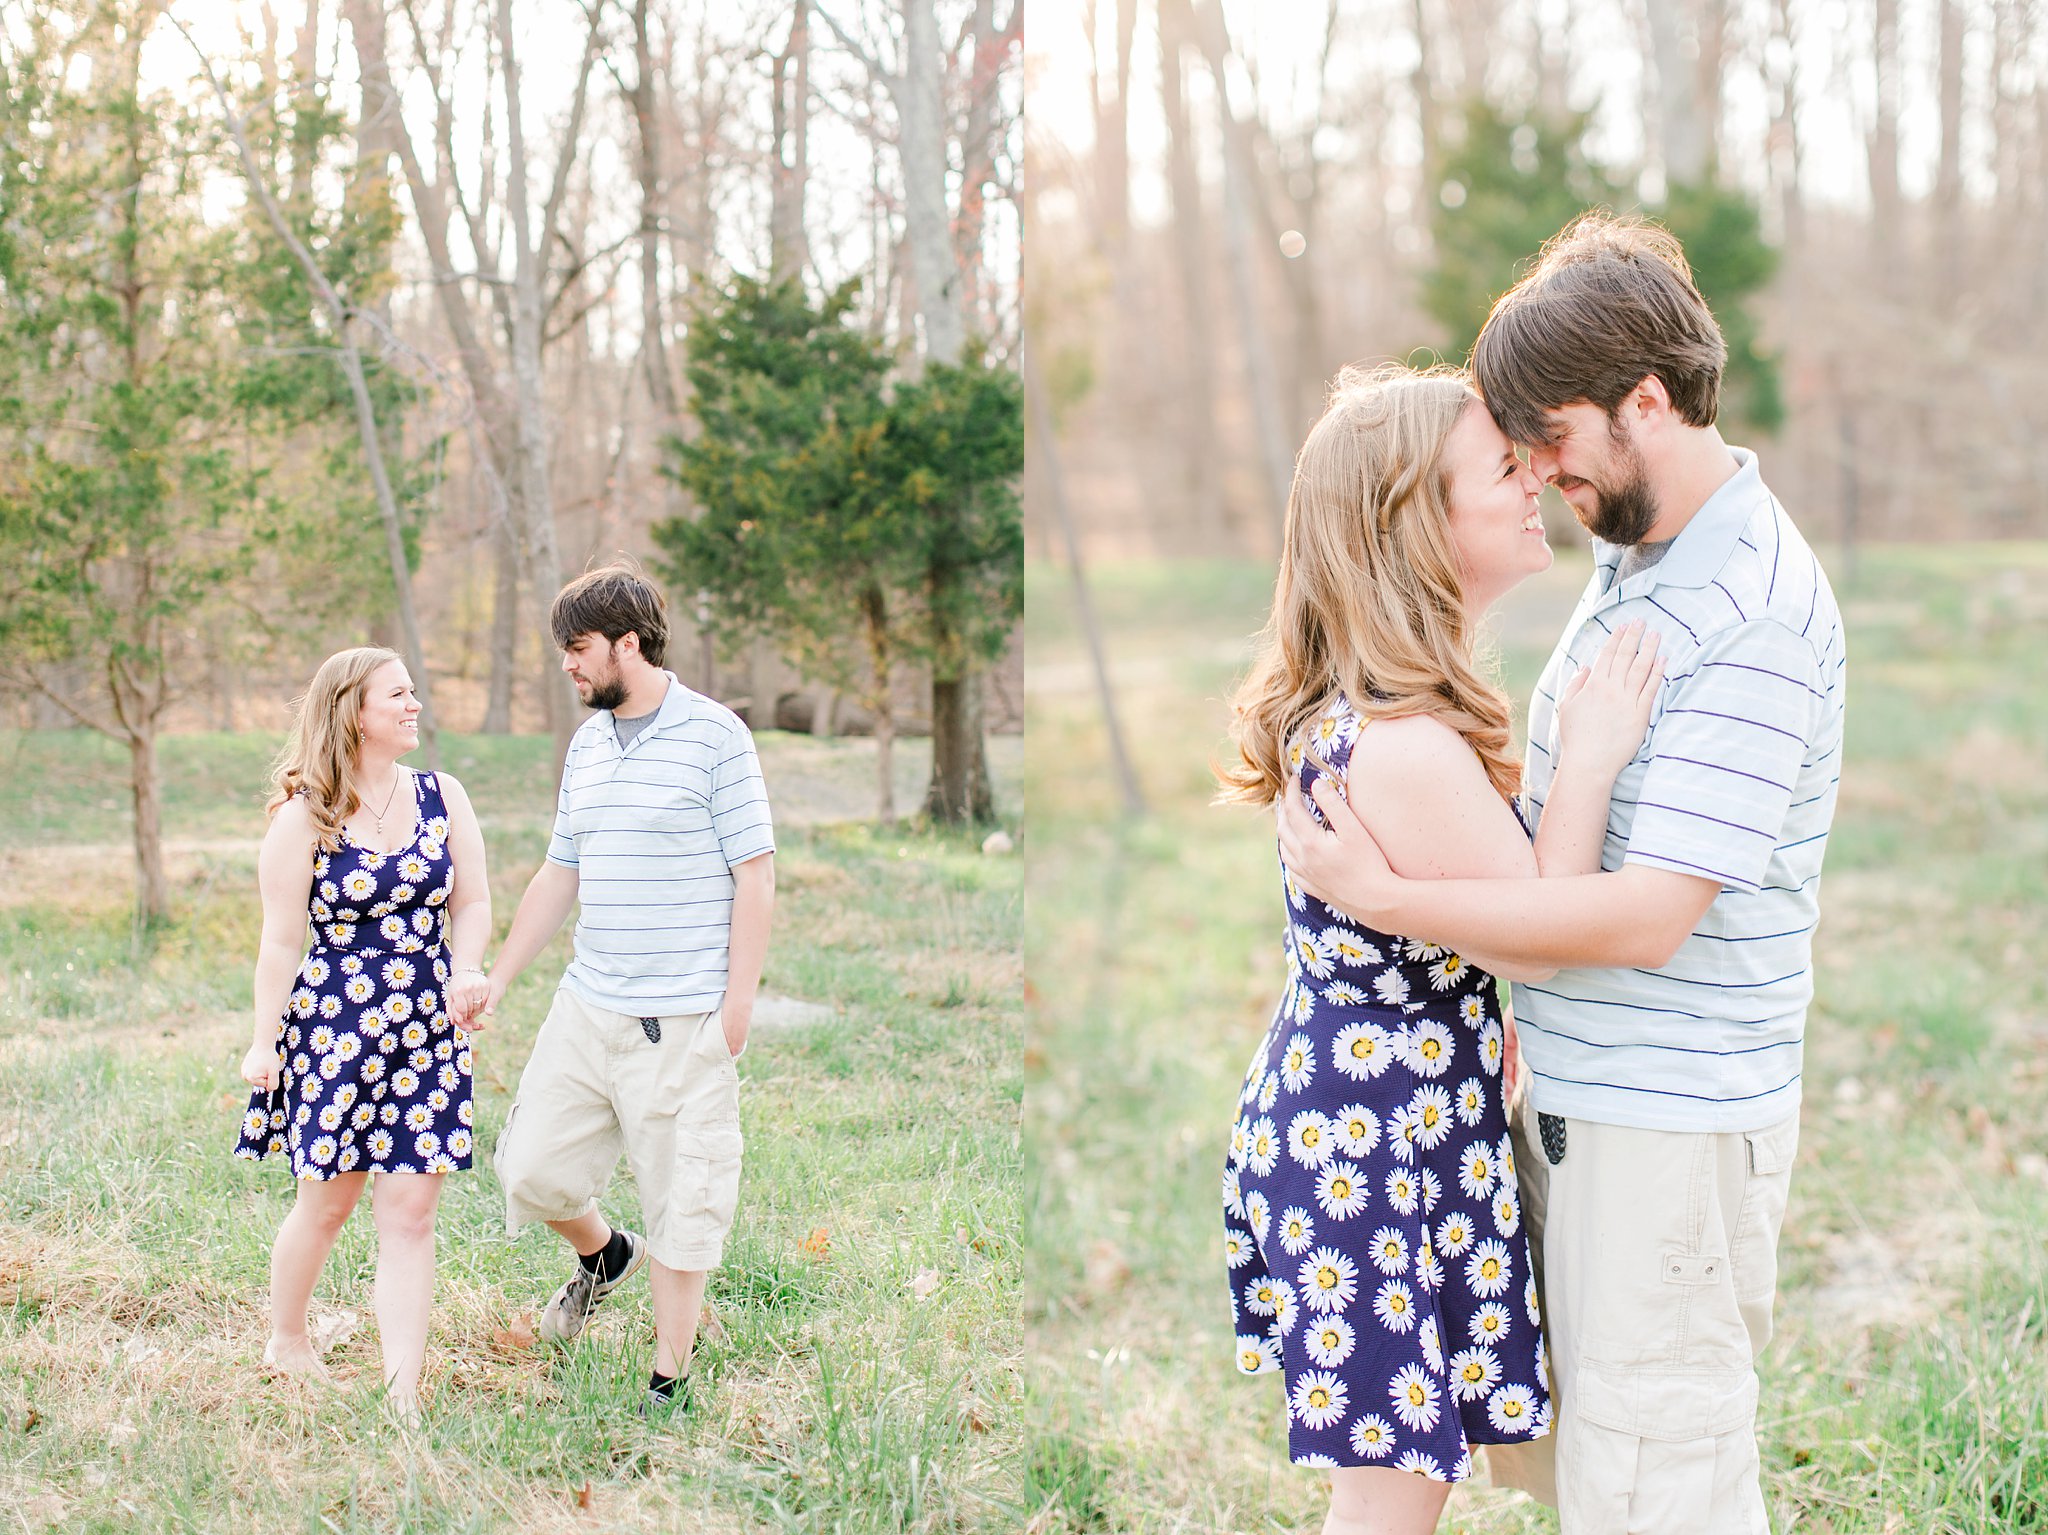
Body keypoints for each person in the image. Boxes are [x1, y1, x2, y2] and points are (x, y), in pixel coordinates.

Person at [1278, 215, 1846, 1534]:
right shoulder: (1641, 557)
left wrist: (1395, 902)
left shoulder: (1749, 605)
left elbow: (1650, 916)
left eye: (1552, 440)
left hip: (1667, 1116)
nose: (1538, 472)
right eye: (1512, 451)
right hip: (1577, 1105)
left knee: (1665, 1488)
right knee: (1611, 1475)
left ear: (1647, 402)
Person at [1218, 362, 1666, 1535]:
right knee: (1386, 1504)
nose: (1530, 481)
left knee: (1390, 1487)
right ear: (1409, 520)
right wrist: (1592, 757)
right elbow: (1543, 930)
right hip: (1375, 1147)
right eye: (1497, 467)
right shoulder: (1401, 745)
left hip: (1372, 1120)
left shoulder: (1377, 716)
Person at [478, 563, 775, 1418]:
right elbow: (559, 868)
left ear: (627, 644)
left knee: (685, 1202)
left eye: (577, 649)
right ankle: (606, 1255)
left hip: (682, 1014)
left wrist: (737, 1005)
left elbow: (753, 874)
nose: (567, 666)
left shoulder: (717, 736)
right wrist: (500, 975)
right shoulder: (587, 745)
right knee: (529, 1169)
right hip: (587, 1003)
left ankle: (669, 1377)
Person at [234, 647, 493, 1426]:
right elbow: (280, 940)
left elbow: (473, 902)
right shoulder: (303, 814)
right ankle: (286, 1338)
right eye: (399, 693)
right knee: (328, 1205)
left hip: (426, 1025)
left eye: (415, 690)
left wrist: (467, 966)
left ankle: (402, 1392)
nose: (415, 704)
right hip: (335, 1028)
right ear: (352, 709)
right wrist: (263, 1041)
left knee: (411, 1212)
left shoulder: (443, 796)